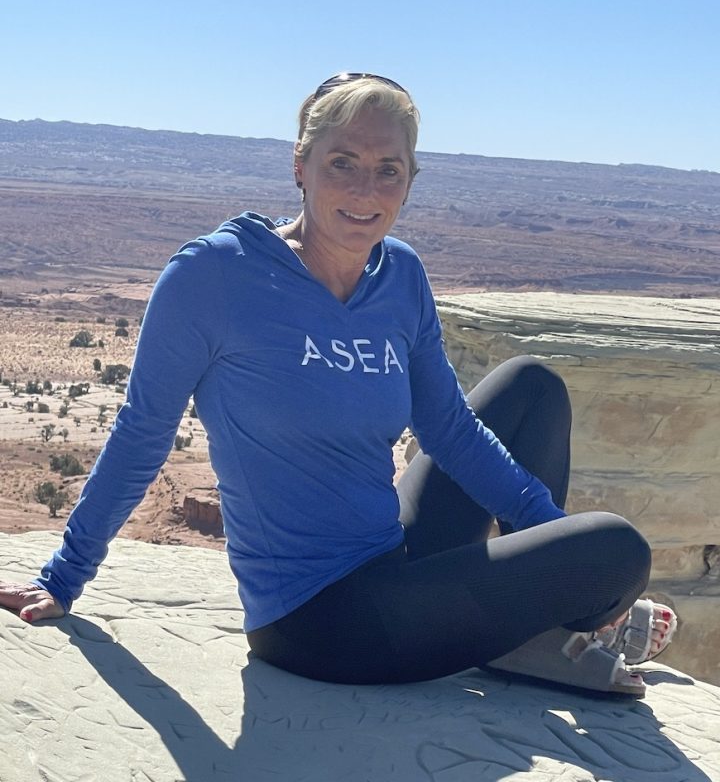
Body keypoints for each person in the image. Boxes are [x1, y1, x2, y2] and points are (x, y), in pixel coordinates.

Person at [0, 73, 675, 695]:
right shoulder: (215, 276)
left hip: (393, 559)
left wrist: (550, 549)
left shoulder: (399, 275)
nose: (364, 191)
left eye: (388, 170)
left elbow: (449, 430)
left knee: (530, 388)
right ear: (300, 166)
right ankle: (542, 626)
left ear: (410, 181)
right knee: (617, 549)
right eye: (342, 163)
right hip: (319, 622)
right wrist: (64, 577)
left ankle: (532, 632)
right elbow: (141, 433)